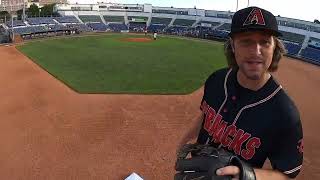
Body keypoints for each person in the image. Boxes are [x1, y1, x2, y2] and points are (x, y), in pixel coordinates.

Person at [177, 6, 303, 180]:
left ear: (274, 48)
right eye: (246, 41)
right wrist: (185, 139)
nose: (256, 51)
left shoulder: (285, 114)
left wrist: (246, 175)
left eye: (265, 42)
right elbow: (206, 116)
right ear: (233, 46)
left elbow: (287, 174)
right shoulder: (216, 79)